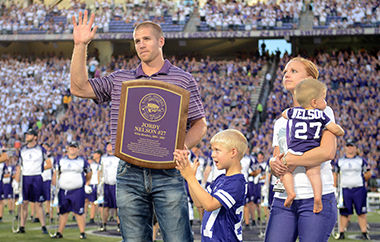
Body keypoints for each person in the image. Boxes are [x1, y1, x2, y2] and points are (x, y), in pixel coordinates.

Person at [70, 11, 207, 242]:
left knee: (178, 238)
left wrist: (176, 147)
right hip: (129, 171)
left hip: (168, 171)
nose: (141, 44)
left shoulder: (183, 79)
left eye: (146, 39)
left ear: (160, 41)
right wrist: (80, 45)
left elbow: (200, 124)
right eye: (137, 41)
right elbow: (79, 88)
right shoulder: (120, 79)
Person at [265, 57, 338, 242]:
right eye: (285, 72)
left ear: (310, 79)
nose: (286, 74)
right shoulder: (280, 121)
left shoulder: (323, 111)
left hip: (315, 196)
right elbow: (277, 160)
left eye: (294, 71)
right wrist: (273, 164)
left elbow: (327, 152)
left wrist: (288, 160)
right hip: (282, 198)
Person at [281, 78, 345, 213]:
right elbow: (334, 129)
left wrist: (289, 112)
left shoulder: (294, 111)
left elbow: (284, 114)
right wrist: (341, 131)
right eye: (324, 99)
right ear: (314, 102)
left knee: (285, 171)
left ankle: (290, 192)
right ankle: (317, 197)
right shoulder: (321, 115)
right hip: (312, 150)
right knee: (314, 174)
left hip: (295, 149)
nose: (326, 102)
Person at [174, 129, 247, 242]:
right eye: (212, 150)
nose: (212, 155)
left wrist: (190, 178)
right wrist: (189, 179)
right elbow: (199, 203)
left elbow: (209, 205)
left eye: (217, 150)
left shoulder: (236, 182)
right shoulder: (220, 179)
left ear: (233, 152)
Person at [51, 141, 92, 239]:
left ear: (78, 149)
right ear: (67, 148)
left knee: (79, 212)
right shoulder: (61, 160)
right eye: (70, 147)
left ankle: (82, 232)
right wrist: (53, 185)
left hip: (77, 190)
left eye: (74, 147)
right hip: (64, 190)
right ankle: (59, 232)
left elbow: (89, 173)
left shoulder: (82, 161)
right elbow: (56, 173)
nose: (72, 149)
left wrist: (84, 183)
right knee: (63, 212)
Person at [14, 128, 52, 234]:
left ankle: (43, 226)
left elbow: (49, 164)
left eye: (29, 135)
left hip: (37, 177)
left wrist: (39, 169)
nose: (27, 136)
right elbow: (19, 166)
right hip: (25, 178)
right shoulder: (22, 150)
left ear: (35, 137)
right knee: (24, 203)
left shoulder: (41, 149)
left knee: (39, 203)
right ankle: (22, 226)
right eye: (27, 134)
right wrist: (16, 182)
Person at [334, 139, 371, 240]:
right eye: (348, 146)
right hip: (345, 189)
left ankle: (364, 233)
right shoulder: (340, 160)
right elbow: (335, 173)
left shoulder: (360, 160)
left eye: (352, 146)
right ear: (345, 147)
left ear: (355, 148)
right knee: (344, 212)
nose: (350, 148)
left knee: (362, 212)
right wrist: (335, 186)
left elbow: (368, 173)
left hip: (359, 189)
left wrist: (362, 181)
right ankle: (341, 233)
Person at [98, 141, 120, 232]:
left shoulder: (119, 157)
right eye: (108, 145)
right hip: (106, 185)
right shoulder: (103, 158)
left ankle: (119, 224)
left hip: (116, 184)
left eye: (111, 145)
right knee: (105, 206)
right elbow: (100, 171)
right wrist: (99, 183)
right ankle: (103, 224)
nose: (109, 146)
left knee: (118, 206)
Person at [85, 149, 102, 224]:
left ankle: (102, 218)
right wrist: (87, 184)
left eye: (95, 153)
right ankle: (92, 218)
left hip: (100, 184)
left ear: (99, 155)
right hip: (92, 184)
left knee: (101, 202)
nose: (93, 155)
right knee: (92, 202)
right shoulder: (92, 165)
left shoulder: (102, 163)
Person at [42, 142, 54, 219]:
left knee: (49, 198)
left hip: (48, 179)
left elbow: (50, 166)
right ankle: (39, 215)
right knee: (40, 199)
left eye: (45, 146)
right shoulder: (40, 156)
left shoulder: (50, 157)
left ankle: (50, 214)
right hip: (41, 178)